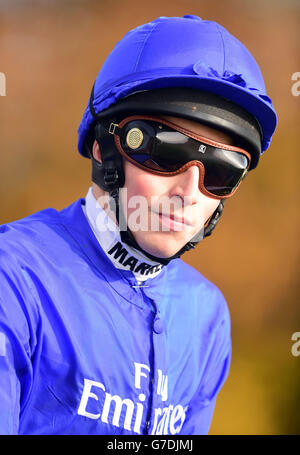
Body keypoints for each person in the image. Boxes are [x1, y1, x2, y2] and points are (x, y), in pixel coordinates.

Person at [0, 15, 277, 435]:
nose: (190, 191)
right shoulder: (14, 278)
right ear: (102, 148)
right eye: (165, 151)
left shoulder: (208, 316)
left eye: (222, 169)